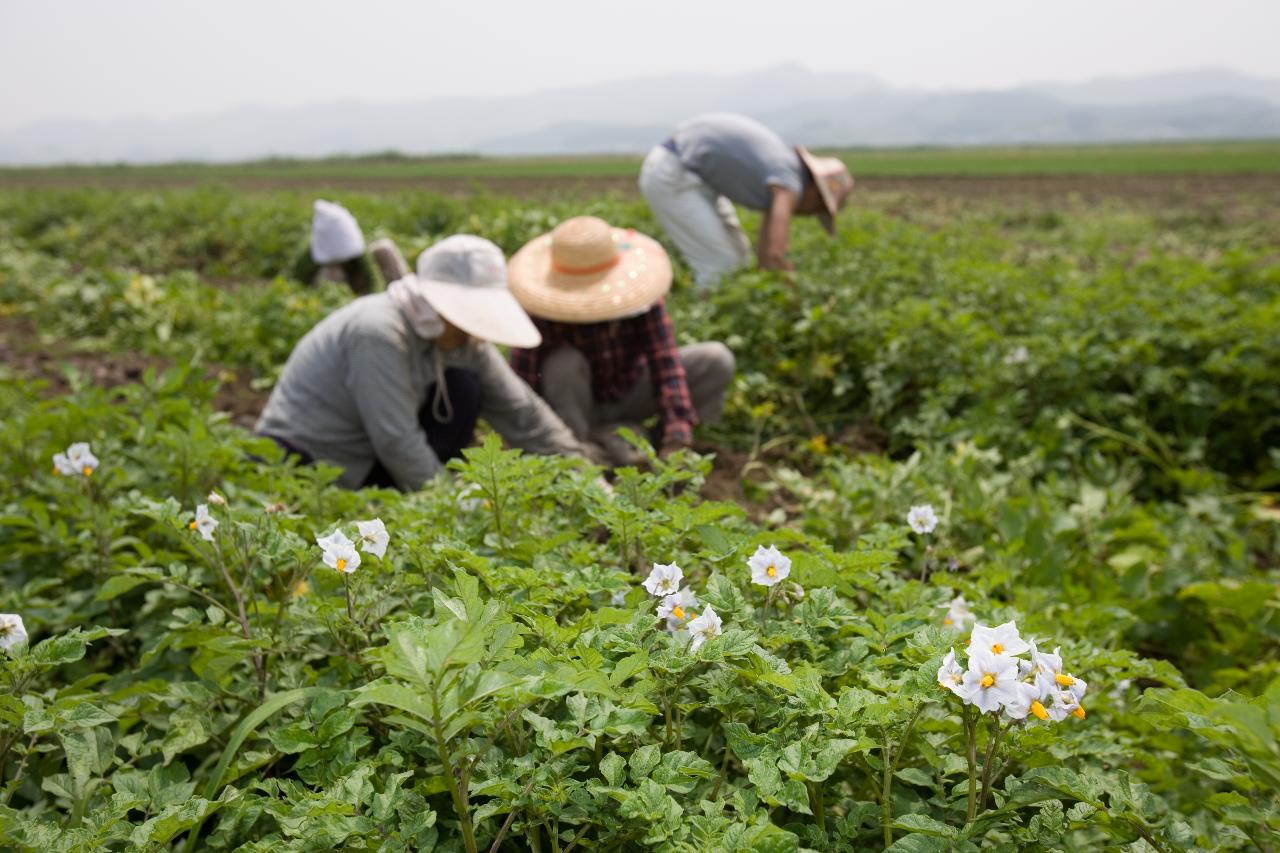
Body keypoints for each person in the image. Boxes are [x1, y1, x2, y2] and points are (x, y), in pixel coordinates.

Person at [256, 234, 590, 490]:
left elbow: (524, 414)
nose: (474, 328)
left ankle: (415, 493)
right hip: (309, 460)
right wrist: (453, 511)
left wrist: (587, 482)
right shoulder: (378, 332)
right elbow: (396, 439)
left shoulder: (463, 340)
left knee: (464, 389)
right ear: (435, 305)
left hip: (371, 456)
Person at [507, 216, 734, 464]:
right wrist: (522, 442)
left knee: (716, 359)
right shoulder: (541, 311)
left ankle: (643, 441)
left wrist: (676, 438)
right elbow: (522, 385)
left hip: (629, 390)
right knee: (563, 364)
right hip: (572, 409)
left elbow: (665, 363)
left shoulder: (640, 300)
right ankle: (578, 452)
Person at [638, 112, 855, 288]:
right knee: (719, 264)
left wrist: (767, 277)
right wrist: (789, 294)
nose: (807, 215)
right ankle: (709, 329)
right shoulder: (789, 183)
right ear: (815, 192)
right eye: (815, 209)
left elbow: (767, 251)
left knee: (739, 257)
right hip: (673, 171)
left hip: (693, 173)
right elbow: (776, 252)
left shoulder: (785, 172)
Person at [286, 199, 410, 294]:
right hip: (335, 293)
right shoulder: (312, 253)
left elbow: (370, 276)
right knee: (332, 273)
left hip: (357, 284)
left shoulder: (358, 251)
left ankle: (409, 294)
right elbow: (294, 280)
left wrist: (373, 299)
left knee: (385, 249)